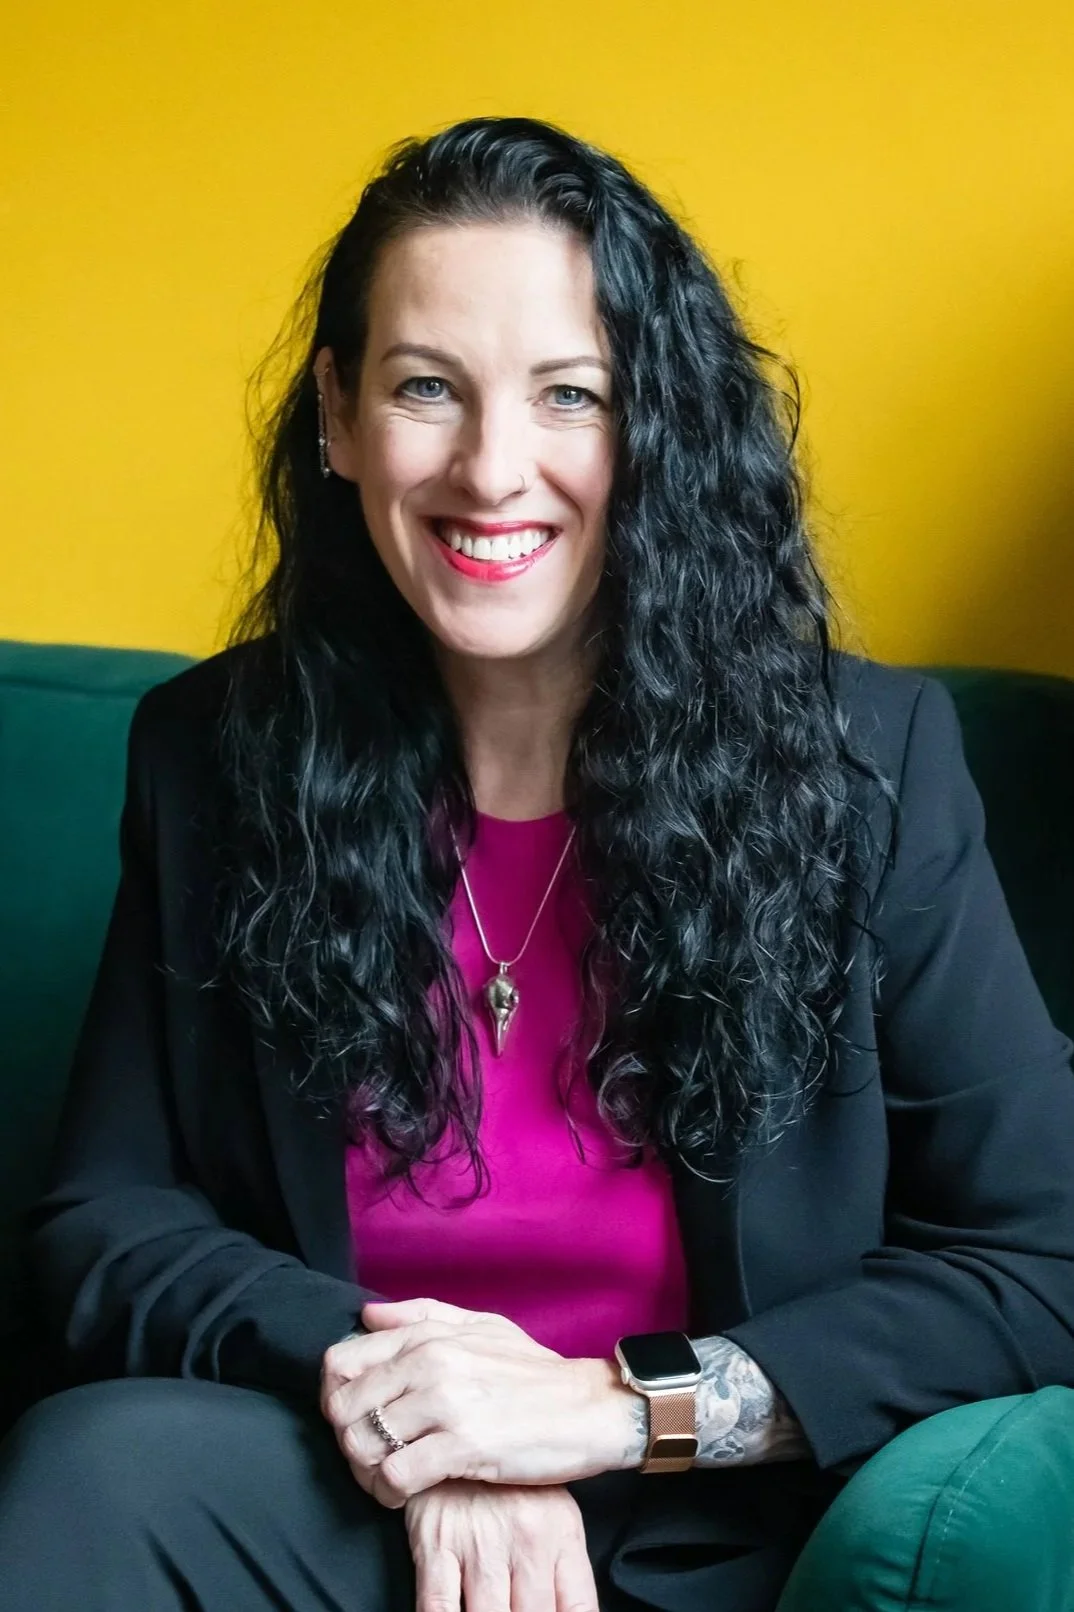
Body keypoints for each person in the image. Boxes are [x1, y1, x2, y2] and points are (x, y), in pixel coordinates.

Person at [1, 114, 1073, 1612]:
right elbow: (104, 1221)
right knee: (91, 1474)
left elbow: (1045, 1254)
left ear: (655, 431)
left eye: (570, 395)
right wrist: (420, 1407)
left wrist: (610, 1412)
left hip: (724, 1526)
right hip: (341, 1494)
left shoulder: (863, 764)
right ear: (337, 414)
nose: (492, 469)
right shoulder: (217, 754)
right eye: (427, 388)